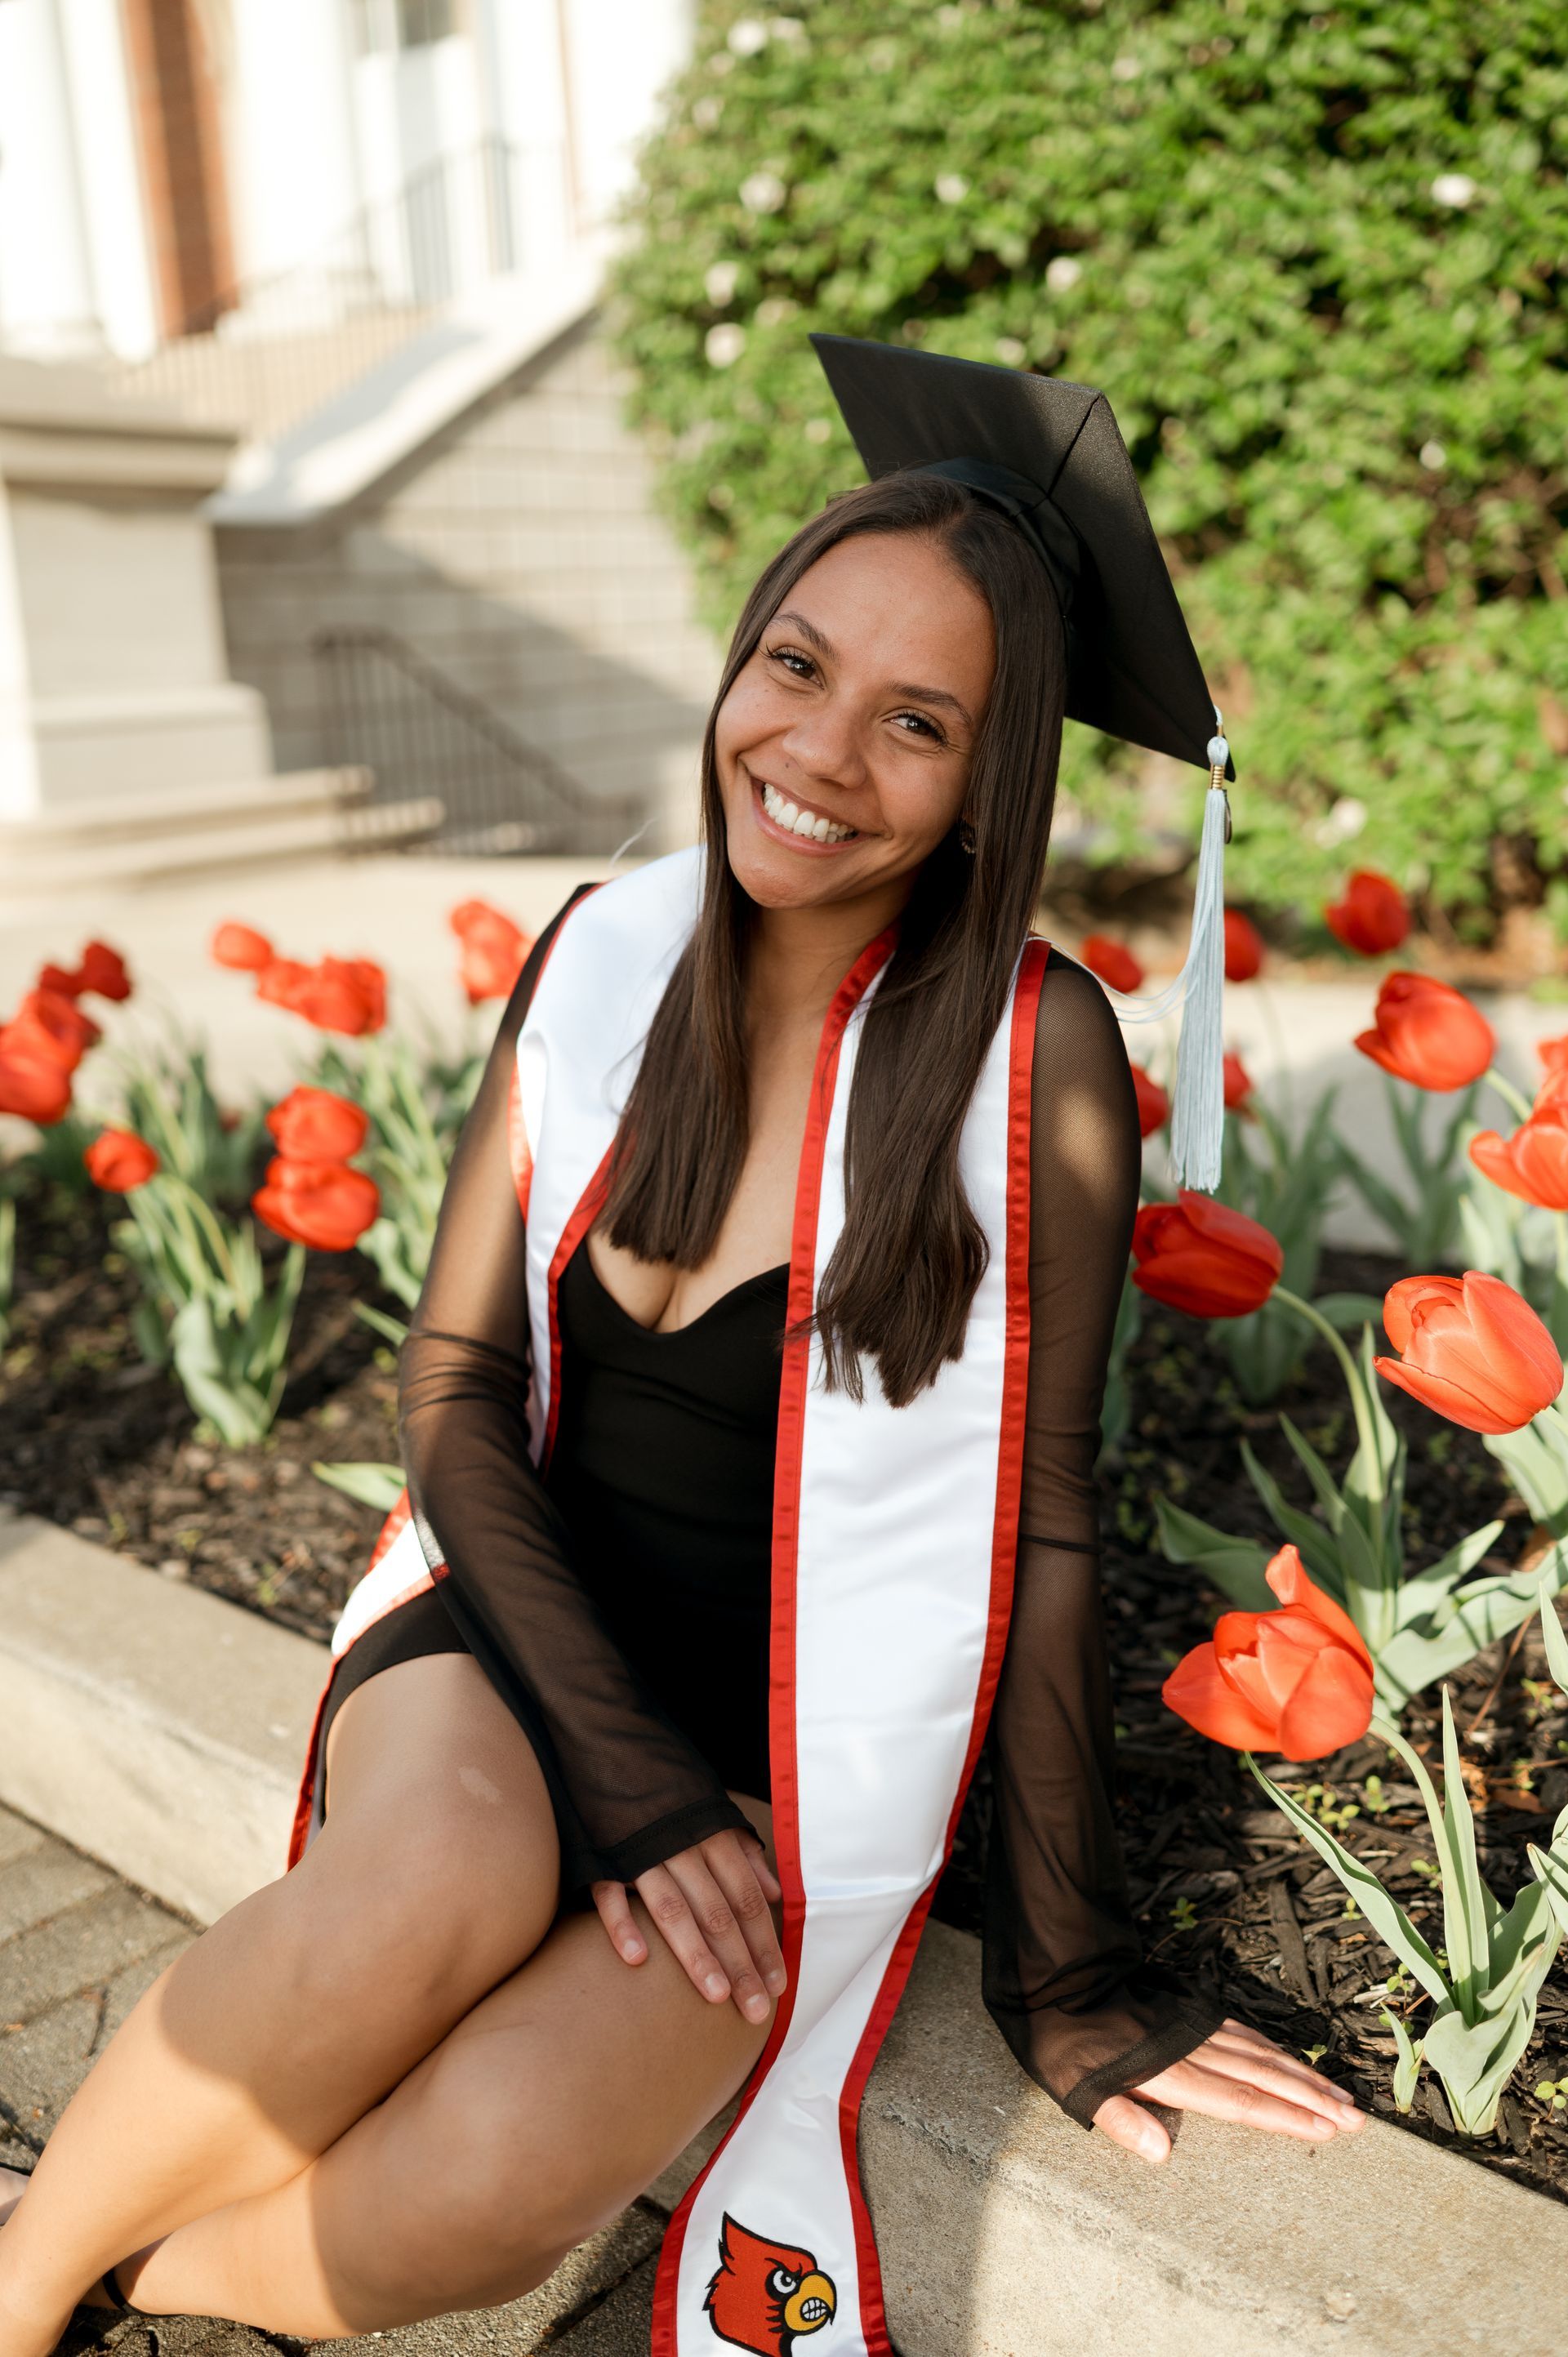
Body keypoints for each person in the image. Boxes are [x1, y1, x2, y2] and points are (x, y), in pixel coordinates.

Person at [0, 341, 1362, 2357]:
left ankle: (118, 2256)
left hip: (793, 1744)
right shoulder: (599, 951)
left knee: (493, 2183)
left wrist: (1065, 1975)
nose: (818, 750)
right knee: (427, 1885)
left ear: (991, 781)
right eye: (794, 666)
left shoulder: (1030, 1060)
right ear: (738, 661)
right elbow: (454, 1400)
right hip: (505, 1625)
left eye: (919, 721)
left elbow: (1047, 1524)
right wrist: (621, 1784)